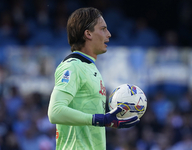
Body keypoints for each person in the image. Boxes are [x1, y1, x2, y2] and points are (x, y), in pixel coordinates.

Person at [48, 7, 139, 150]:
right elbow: (55, 112)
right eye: (103, 29)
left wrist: (108, 120)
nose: (108, 34)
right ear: (88, 34)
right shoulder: (73, 67)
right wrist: (99, 119)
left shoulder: (90, 67)